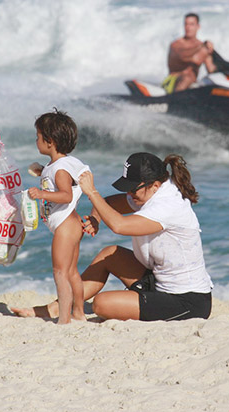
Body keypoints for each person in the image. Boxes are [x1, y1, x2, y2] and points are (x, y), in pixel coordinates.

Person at [13, 152, 213, 321]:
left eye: (134, 189)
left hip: (187, 300)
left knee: (101, 305)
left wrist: (91, 192)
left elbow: (119, 225)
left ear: (155, 185)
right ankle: (55, 308)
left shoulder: (168, 205)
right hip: (157, 281)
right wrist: (95, 219)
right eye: (128, 188)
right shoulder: (149, 193)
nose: (130, 194)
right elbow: (109, 204)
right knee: (110, 254)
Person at [26, 109, 89, 324]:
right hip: (72, 223)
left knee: (60, 272)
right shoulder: (60, 165)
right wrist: (42, 170)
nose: (36, 141)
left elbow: (65, 194)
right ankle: (79, 312)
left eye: (38, 137)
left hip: (65, 225)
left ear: (50, 141)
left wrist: (41, 193)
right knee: (71, 272)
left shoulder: (60, 169)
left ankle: (64, 318)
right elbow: (59, 180)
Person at [162, 13, 217, 93]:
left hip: (192, 85)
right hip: (172, 82)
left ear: (198, 27)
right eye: (186, 24)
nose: (188, 27)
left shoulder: (202, 47)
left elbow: (211, 70)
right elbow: (183, 56)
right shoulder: (176, 44)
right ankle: (175, 102)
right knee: (187, 77)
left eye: (191, 24)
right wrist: (203, 48)